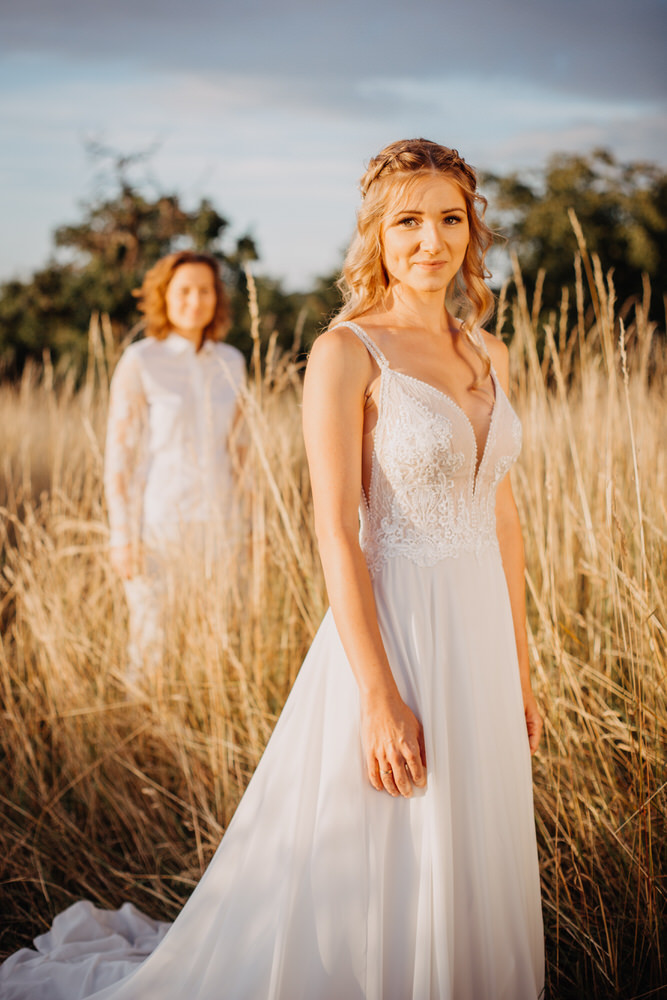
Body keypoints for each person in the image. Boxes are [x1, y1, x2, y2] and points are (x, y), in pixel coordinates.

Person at [0, 140, 544, 999]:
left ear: (471, 229)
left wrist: (520, 669)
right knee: (394, 838)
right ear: (375, 233)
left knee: (475, 835)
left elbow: (504, 520)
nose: (430, 241)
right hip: (395, 631)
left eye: (449, 218)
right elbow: (334, 528)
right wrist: (376, 694)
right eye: (407, 221)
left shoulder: (492, 354)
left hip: (480, 634)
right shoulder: (347, 352)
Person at [103, 250, 247, 676]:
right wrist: (122, 536)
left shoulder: (232, 362)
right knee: (151, 643)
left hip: (221, 527)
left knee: (216, 639)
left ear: (216, 298)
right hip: (159, 526)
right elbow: (120, 456)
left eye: (205, 291)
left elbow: (241, 454)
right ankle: (143, 738)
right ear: (164, 296)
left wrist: (253, 528)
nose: (194, 300)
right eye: (183, 290)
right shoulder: (141, 361)